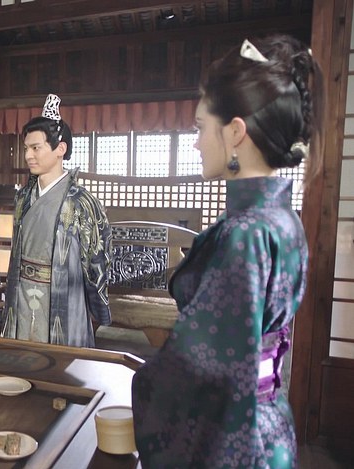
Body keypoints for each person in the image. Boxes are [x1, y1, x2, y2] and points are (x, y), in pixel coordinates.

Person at [131, 35, 324, 468]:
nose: (196, 142)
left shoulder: (246, 233)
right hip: (266, 423)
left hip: (232, 434)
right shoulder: (281, 219)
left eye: (200, 127)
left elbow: (198, 371)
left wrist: (143, 383)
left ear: (235, 132)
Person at [2, 94, 112, 347]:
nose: (28, 155)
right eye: (26, 148)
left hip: (63, 296)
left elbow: (96, 259)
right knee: (20, 355)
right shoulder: (23, 197)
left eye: (36, 148)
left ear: (60, 149)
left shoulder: (81, 201)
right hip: (21, 292)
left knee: (62, 360)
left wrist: (98, 306)